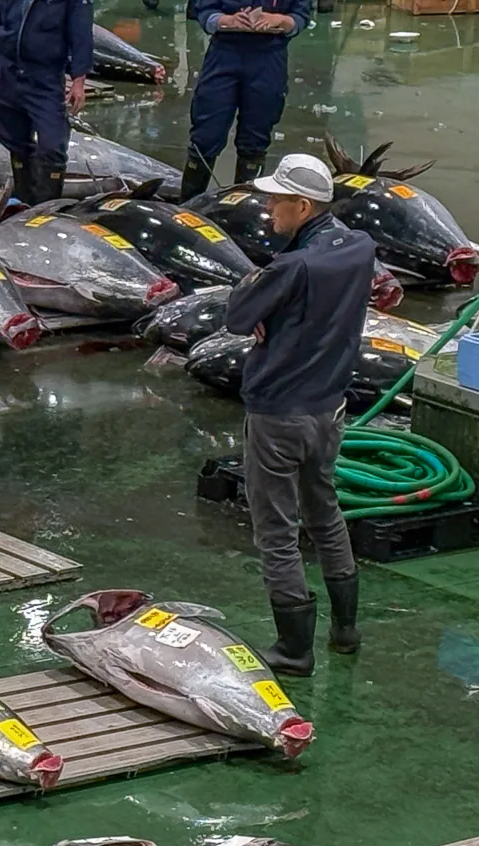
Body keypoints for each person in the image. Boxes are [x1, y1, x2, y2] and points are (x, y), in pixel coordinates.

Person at [225, 154, 371, 676]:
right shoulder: (358, 246)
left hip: (278, 415)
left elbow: (237, 317)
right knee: (325, 512)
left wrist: (263, 306)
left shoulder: (291, 267)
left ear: (303, 205)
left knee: (277, 532)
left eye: (276, 200)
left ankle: (293, 650)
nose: (268, 209)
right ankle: (346, 629)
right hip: (329, 409)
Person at [179, 0, 311, 202]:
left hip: (269, 58)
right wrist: (225, 20)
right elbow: (204, 10)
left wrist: (282, 20)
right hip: (224, 54)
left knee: (255, 138)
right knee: (206, 134)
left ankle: (243, 208)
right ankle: (187, 206)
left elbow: (301, 16)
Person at [0, 0, 93, 205]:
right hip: (7, 69)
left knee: (52, 145)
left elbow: (81, 33)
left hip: (45, 76)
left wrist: (79, 79)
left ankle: (46, 208)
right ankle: (23, 201)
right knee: (13, 137)